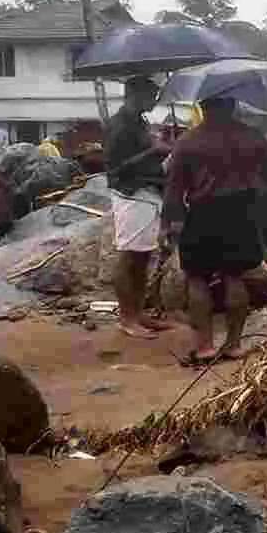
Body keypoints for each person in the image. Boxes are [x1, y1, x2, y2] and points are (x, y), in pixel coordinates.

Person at [162, 96, 267, 364]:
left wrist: (170, 224)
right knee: (234, 277)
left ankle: (205, 347)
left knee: (197, 278)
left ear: (202, 107)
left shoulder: (188, 141)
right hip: (242, 213)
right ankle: (234, 345)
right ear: (233, 106)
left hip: (202, 213)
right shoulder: (253, 137)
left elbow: (174, 190)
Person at [105, 77, 173, 340]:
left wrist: (160, 145)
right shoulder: (119, 125)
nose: (154, 100)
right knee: (129, 256)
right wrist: (152, 151)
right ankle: (127, 318)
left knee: (143, 256)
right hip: (131, 194)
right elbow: (113, 167)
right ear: (134, 94)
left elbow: (148, 151)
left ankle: (138, 312)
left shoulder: (140, 122)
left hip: (148, 192)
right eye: (151, 95)